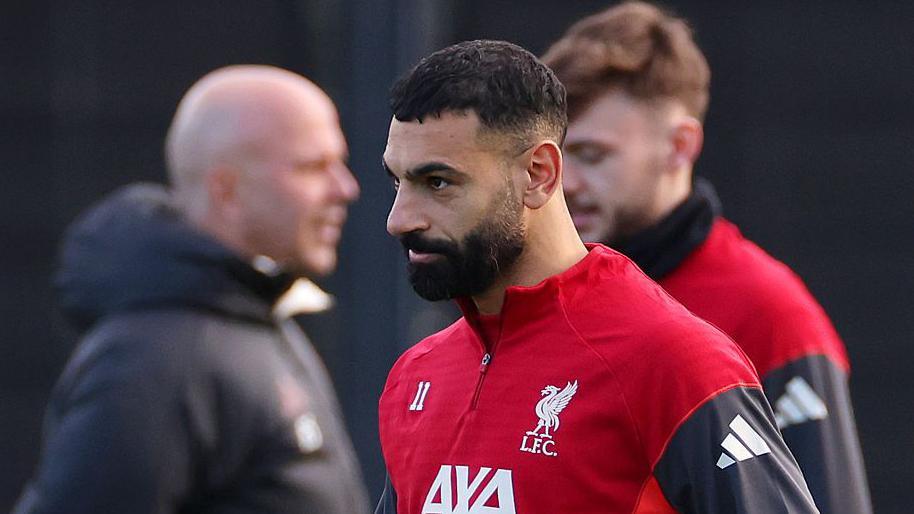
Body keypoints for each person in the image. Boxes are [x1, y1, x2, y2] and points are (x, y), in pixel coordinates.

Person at [376, 39, 818, 514]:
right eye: (397, 182)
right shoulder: (416, 375)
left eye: (437, 182)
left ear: (539, 174)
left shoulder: (677, 363)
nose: (399, 219)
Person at [542, 3, 872, 513]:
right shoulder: (543, 296)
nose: (567, 183)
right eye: (558, 156)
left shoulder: (769, 312)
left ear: (679, 147)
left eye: (592, 155)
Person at [13, 65, 369, 514]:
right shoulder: (156, 360)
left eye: (339, 163)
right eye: (313, 166)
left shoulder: (247, 317)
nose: (345, 188)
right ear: (227, 189)